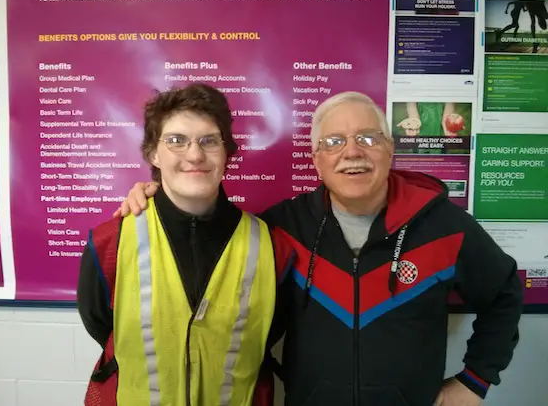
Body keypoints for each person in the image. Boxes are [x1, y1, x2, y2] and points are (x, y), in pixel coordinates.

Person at [116, 91, 523, 406]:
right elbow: (209, 235)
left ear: (389, 148)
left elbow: (504, 292)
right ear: (316, 159)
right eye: (333, 141)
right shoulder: (281, 227)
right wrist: (157, 198)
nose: (352, 152)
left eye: (368, 137)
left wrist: (476, 380)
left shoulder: (444, 226)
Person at [76, 83, 294, 406]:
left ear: (226, 152)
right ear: (153, 153)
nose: (194, 154)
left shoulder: (272, 248)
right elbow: (102, 328)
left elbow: (269, 334)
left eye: (209, 140)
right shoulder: (110, 243)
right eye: (176, 140)